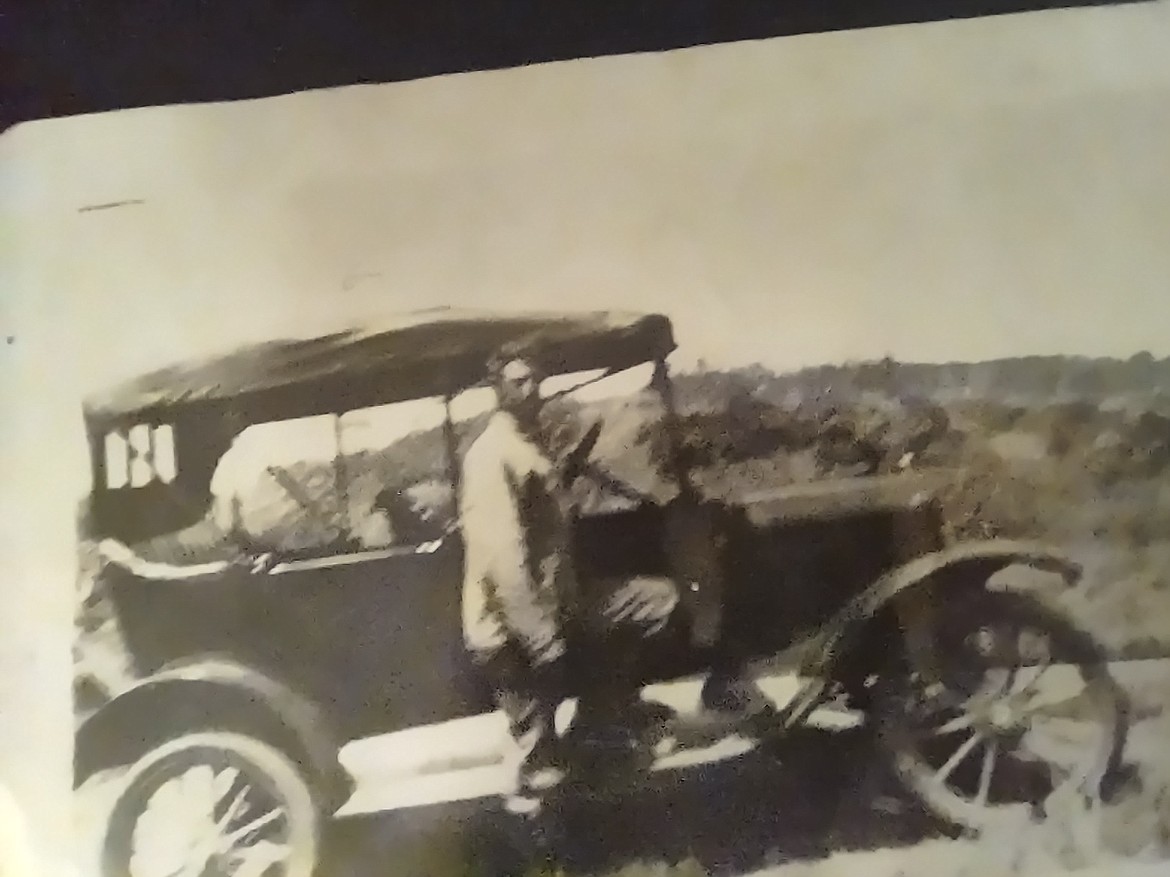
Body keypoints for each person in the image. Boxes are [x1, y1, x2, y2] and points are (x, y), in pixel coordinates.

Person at [459, 349, 680, 818]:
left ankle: (601, 715)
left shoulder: (526, 445)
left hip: (556, 608)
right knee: (535, 767)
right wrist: (542, 641)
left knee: (655, 601)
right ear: (496, 387)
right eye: (517, 381)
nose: (530, 389)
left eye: (535, 379)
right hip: (509, 629)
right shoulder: (490, 454)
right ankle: (539, 839)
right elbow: (505, 563)